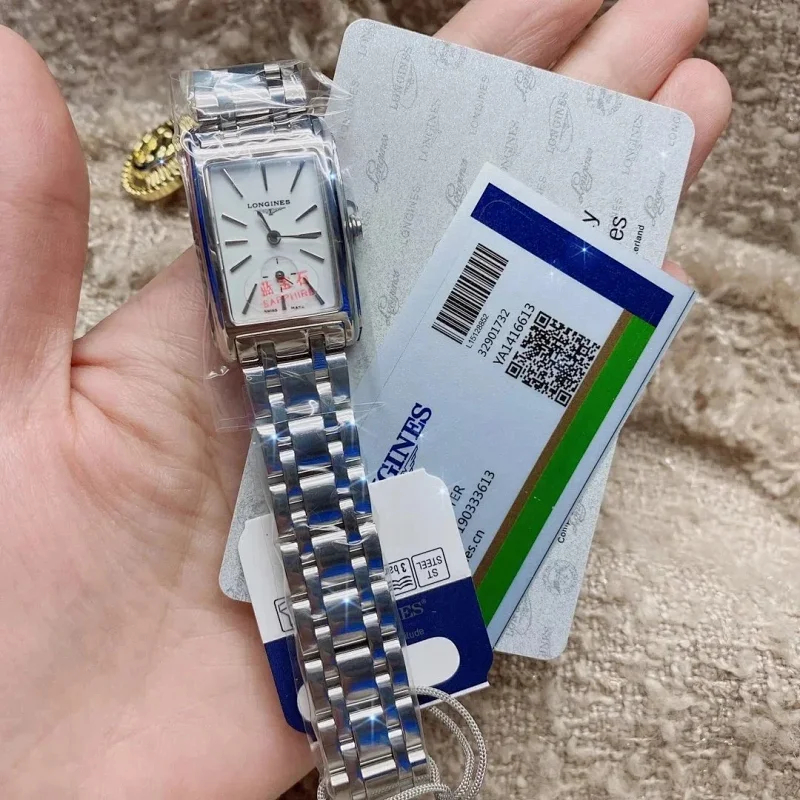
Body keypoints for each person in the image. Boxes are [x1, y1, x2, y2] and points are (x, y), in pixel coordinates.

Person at [0, 0, 730, 796]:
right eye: (242, 236)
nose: (272, 240)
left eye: (299, 225)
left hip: (312, 335)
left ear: (340, 218)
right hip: (271, 345)